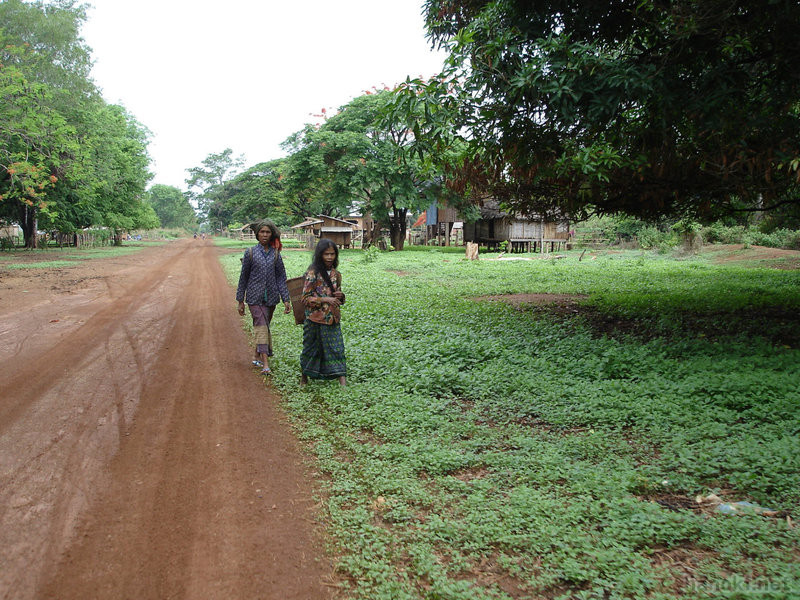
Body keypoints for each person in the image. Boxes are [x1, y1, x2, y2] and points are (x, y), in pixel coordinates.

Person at [236, 219, 291, 375]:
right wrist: (240, 300)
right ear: (257, 234)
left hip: (271, 298)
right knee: (261, 325)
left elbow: (281, 277)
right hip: (254, 297)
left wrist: (286, 299)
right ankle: (266, 363)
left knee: (264, 326)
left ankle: (256, 354)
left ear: (271, 234)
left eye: (267, 232)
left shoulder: (275, 255)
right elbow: (243, 277)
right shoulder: (250, 253)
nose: (265, 235)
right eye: (262, 232)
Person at [300, 238, 347, 386]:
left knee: (337, 348)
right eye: (326, 254)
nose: (329, 257)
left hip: (332, 318)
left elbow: (338, 297)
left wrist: (341, 297)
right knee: (311, 348)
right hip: (314, 319)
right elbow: (305, 298)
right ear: (320, 255)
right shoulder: (312, 273)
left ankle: (342, 381)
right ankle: (304, 378)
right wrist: (325, 299)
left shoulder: (336, 274)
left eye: (332, 254)